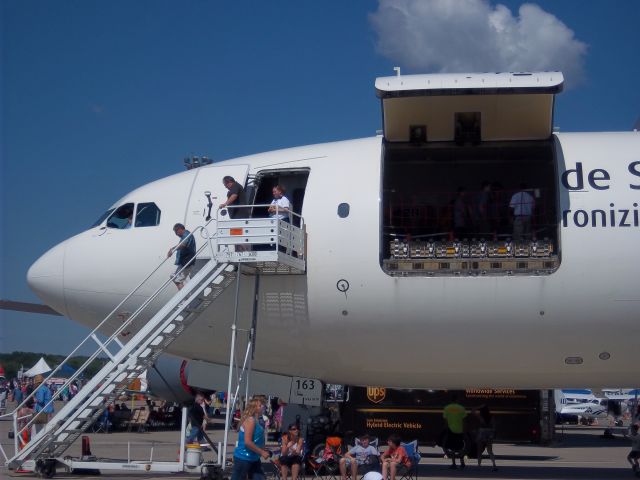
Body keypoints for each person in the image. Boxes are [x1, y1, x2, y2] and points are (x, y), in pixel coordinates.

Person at [231, 397, 270, 480]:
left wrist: (263, 449)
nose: (263, 407)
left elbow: (256, 439)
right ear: (254, 408)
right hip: (243, 458)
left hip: (254, 457)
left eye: (262, 405)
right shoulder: (250, 420)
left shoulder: (257, 420)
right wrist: (262, 452)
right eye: (260, 406)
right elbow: (247, 442)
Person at [167, 223, 196, 290]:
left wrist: (172, 249)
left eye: (176, 232)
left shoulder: (186, 234)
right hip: (183, 262)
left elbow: (183, 244)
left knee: (177, 280)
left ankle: (184, 298)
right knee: (173, 277)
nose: (176, 234)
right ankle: (183, 294)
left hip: (187, 261)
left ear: (180, 229)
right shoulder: (184, 235)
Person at [443, 395, 467, 469]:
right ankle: (462, 463)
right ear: (457, 400)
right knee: (460, 447)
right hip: (459, 430)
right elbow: (464, 420)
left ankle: (454, 464)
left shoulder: (447, 408)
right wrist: (464, 430)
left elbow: (446, 420)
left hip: (451, 430)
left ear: (451, 400)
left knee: (452, 448)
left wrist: (446, 429)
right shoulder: (461, 408)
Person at [473, 405, 497, 471]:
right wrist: (493, 434)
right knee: (490, 451)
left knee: (479, 451)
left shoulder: (480, 416)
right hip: (489, 433)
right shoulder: (492, 416)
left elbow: (473, 411)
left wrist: (478, 407)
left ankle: (479, 465)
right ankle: (494, 465)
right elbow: (494, 426)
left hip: (482, 432)